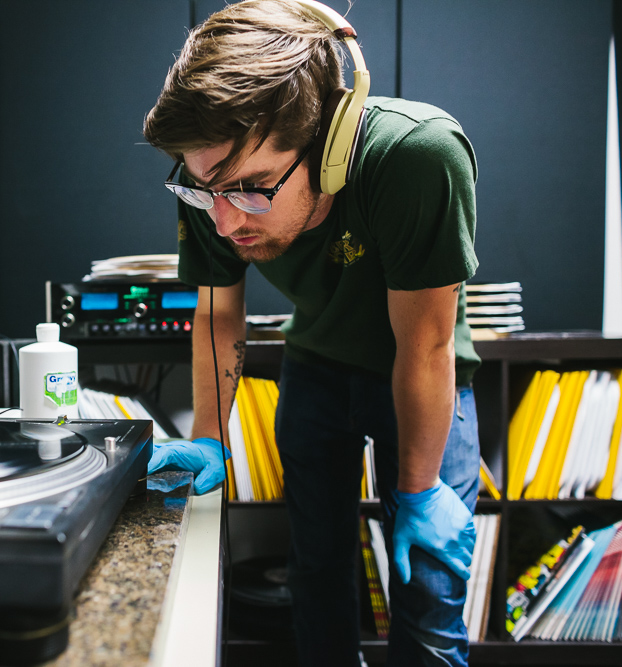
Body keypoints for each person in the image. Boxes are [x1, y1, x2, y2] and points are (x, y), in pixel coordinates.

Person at [142, 1, 481, 665]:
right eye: (204, 187)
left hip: (417, 372)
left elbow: (426, 345)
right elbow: (216, 311)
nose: (224, 220)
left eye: (251, 188)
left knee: (429, 591)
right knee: (316, 575)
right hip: (316, 365)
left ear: (329, 147)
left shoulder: (418, 156)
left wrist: (416, 490)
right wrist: (209, 435)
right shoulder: (215, 181)